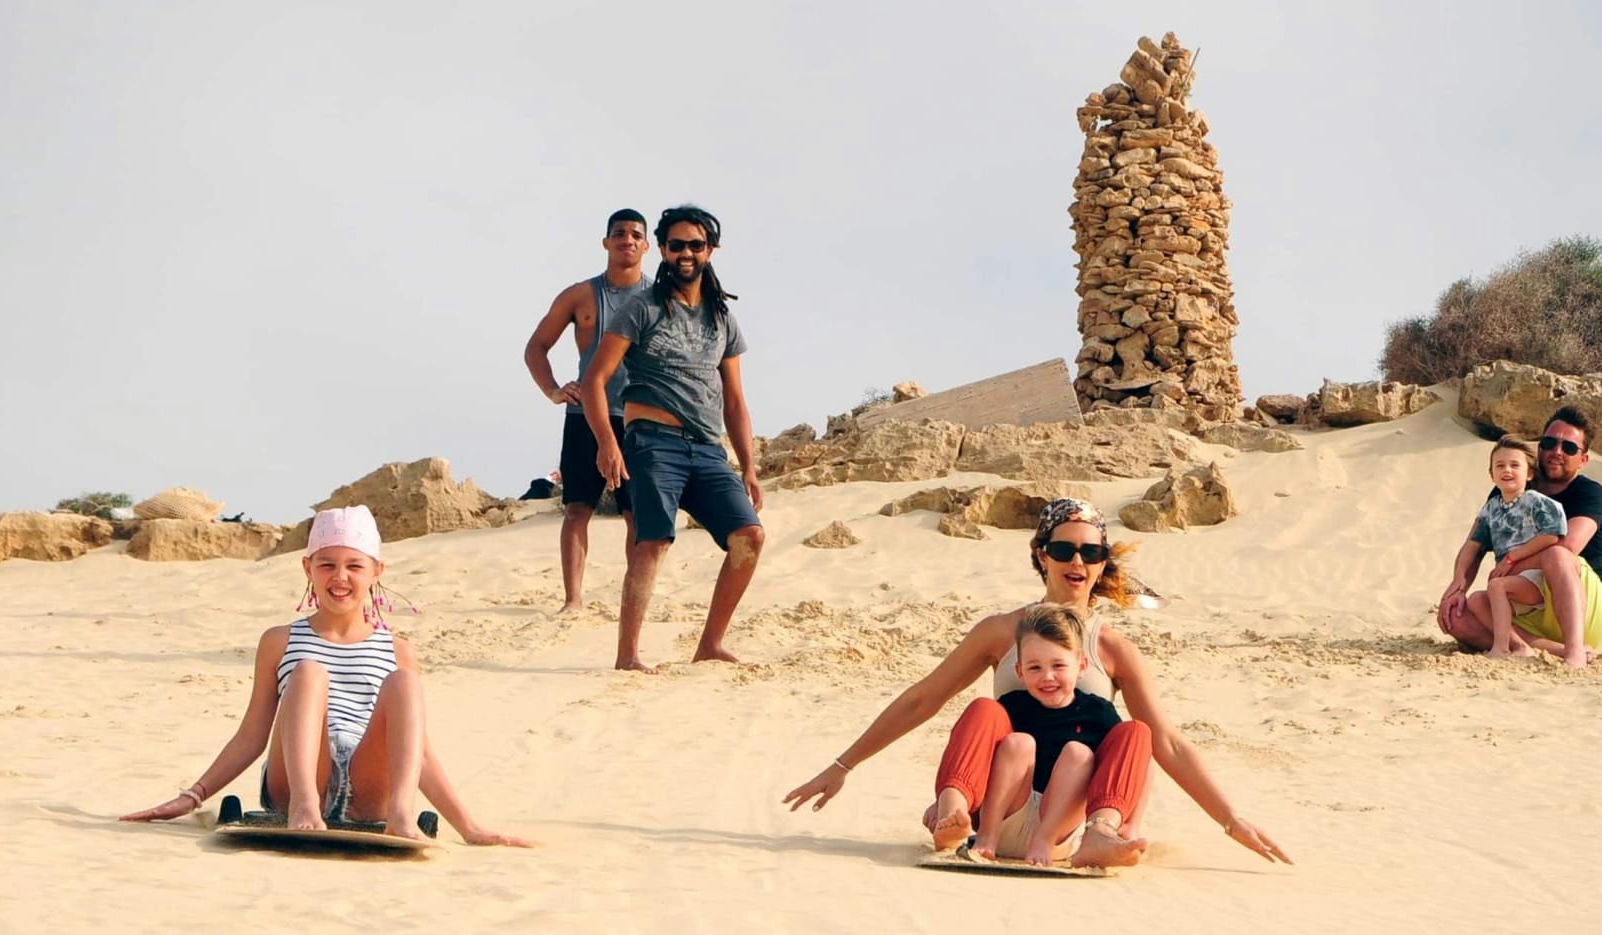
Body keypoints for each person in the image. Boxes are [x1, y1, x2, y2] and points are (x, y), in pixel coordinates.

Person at [782, 499, 1290, 869]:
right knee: (986, 712)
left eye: (1091, 553)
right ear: (1041, 554)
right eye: (1063, 549)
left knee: (1134, 733)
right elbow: (923, 698)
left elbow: (1168, 743)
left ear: (1102, 562)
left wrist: (1230, 820)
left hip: (1063, 818)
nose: (1077, 562)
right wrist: (842, 765)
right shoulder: (1000, 632)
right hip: (999, 803)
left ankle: (1102, 834)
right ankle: (953, 815)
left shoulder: (1111, 648)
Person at [120, 506, 531, 846]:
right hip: (297, 779)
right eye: (327, 565)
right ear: (308, 568)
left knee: (404, 682)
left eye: (354, 566)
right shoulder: (280, 641)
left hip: (368, 786)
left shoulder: (398, 649)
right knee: (310, 672)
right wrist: (193, 796)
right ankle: (305, 808)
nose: (340, 577)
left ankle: (401, 815)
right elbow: (252, 735)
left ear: (376, 571)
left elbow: (417, 750)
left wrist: (468, 826)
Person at [580, 204, 764, 671]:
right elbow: (596, 380)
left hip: (707, 447)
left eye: (696, 245)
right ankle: (628, 656)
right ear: (662, 249)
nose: (686, 253)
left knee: (749, 535)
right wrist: (606, 440)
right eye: (677, 244)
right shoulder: (640, 308)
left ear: (711, 251)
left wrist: (749, 466)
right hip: (653, 440)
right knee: (653, 541)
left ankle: (711, 643)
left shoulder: (722, 318)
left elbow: (736, 401)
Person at [523, 208, 651, 613]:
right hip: (584, 416)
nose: (626, 240)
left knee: (637, 513)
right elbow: (536, 346)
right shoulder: (580, 295)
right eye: (619, 233)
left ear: (647, 246)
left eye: (635, 234)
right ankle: (573, 600)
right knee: (578, 508)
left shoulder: (658, 297)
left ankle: (634, 600)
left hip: (638, 416)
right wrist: (553, 390)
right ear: (606, 242)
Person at [1438, 405, 1602, 667]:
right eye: (1549, 443)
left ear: (1583, 459)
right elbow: (1474, 544)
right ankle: (1548, 648)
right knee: (1456, 616)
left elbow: (1568, 547)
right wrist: (1456, 588)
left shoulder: (1589, 493)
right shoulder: (1506, 490)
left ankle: (1575, 650)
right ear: (1539, 447)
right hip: (1524, 599)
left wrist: (1509, 564)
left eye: (1568, 448)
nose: (1557, 452)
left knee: (1557, 554)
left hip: (1586, 607)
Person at [960, 603, 1140, 865]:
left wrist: (1132, 824)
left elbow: (1135, 762)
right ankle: (987, 837)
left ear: (1081, 667)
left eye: (1058, 665)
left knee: (1079, 753)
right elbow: (978, 754)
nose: (1047, 676)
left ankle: (1042, 840)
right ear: (1019, 672)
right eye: (1035, 668)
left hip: (1058, 833)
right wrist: (949, 801)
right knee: (1018, 743)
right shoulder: (1012, 706)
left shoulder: (1097, 712)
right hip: (1007, 821)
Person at [1462, 438, 1569, 661]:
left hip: (1536, 578)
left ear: (1529, 474)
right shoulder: (1491, 508)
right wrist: (1457, 583)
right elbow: (1472, 543)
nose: (1507, 470)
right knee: (1476, 601)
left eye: (1514, 465)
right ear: (1491, 475)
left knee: (1497, 586)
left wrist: (1512, 558)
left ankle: (1501, 649)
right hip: (1512, 583)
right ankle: (1522, 646)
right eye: (1499, 466)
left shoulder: (1536, 501)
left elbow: (1552, 534)